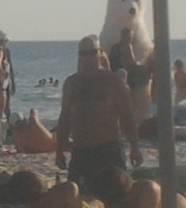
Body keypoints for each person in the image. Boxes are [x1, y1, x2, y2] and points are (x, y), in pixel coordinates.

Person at [55, 35, 143, 189]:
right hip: (81, 150)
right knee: (77, 194)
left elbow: (126, 114)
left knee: (117, 193)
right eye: (84, 54)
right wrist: (59, 149)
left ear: (100, 53)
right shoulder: (72, 83)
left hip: (108, 148)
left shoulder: (112, 81)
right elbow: (65, 118)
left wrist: (134, 147)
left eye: (92, 52)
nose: (88, 57)